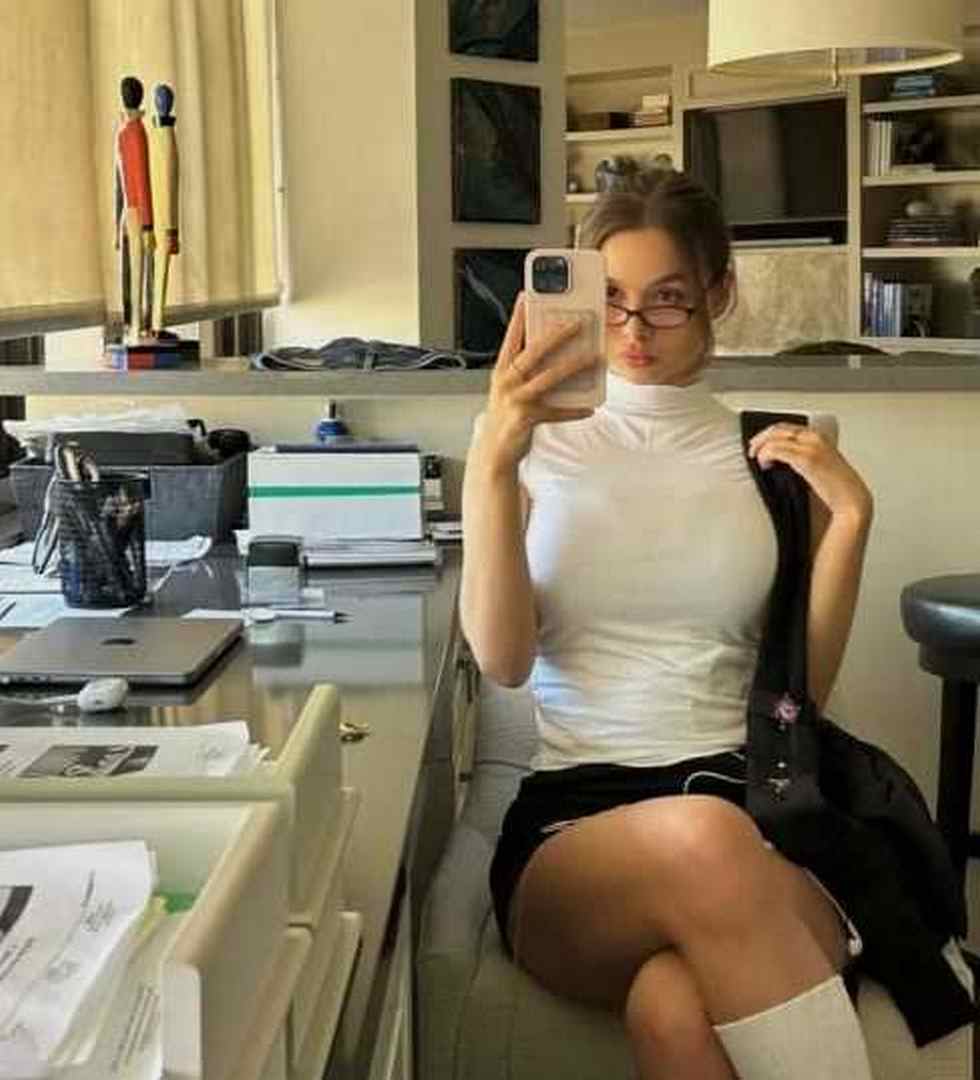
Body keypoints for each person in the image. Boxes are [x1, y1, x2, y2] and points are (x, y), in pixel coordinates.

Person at [460, 167, 877, 1079]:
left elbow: (801, 692)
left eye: (667, 299)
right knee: (701, 835)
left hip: (752, 805)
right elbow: (502, 659)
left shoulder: (776, 451)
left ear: (718, 293)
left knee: (671, 1004)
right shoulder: (530, 446)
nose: (634, 330)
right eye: (610, 299)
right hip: (574, 831)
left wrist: (850, 522)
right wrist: (492, 461)